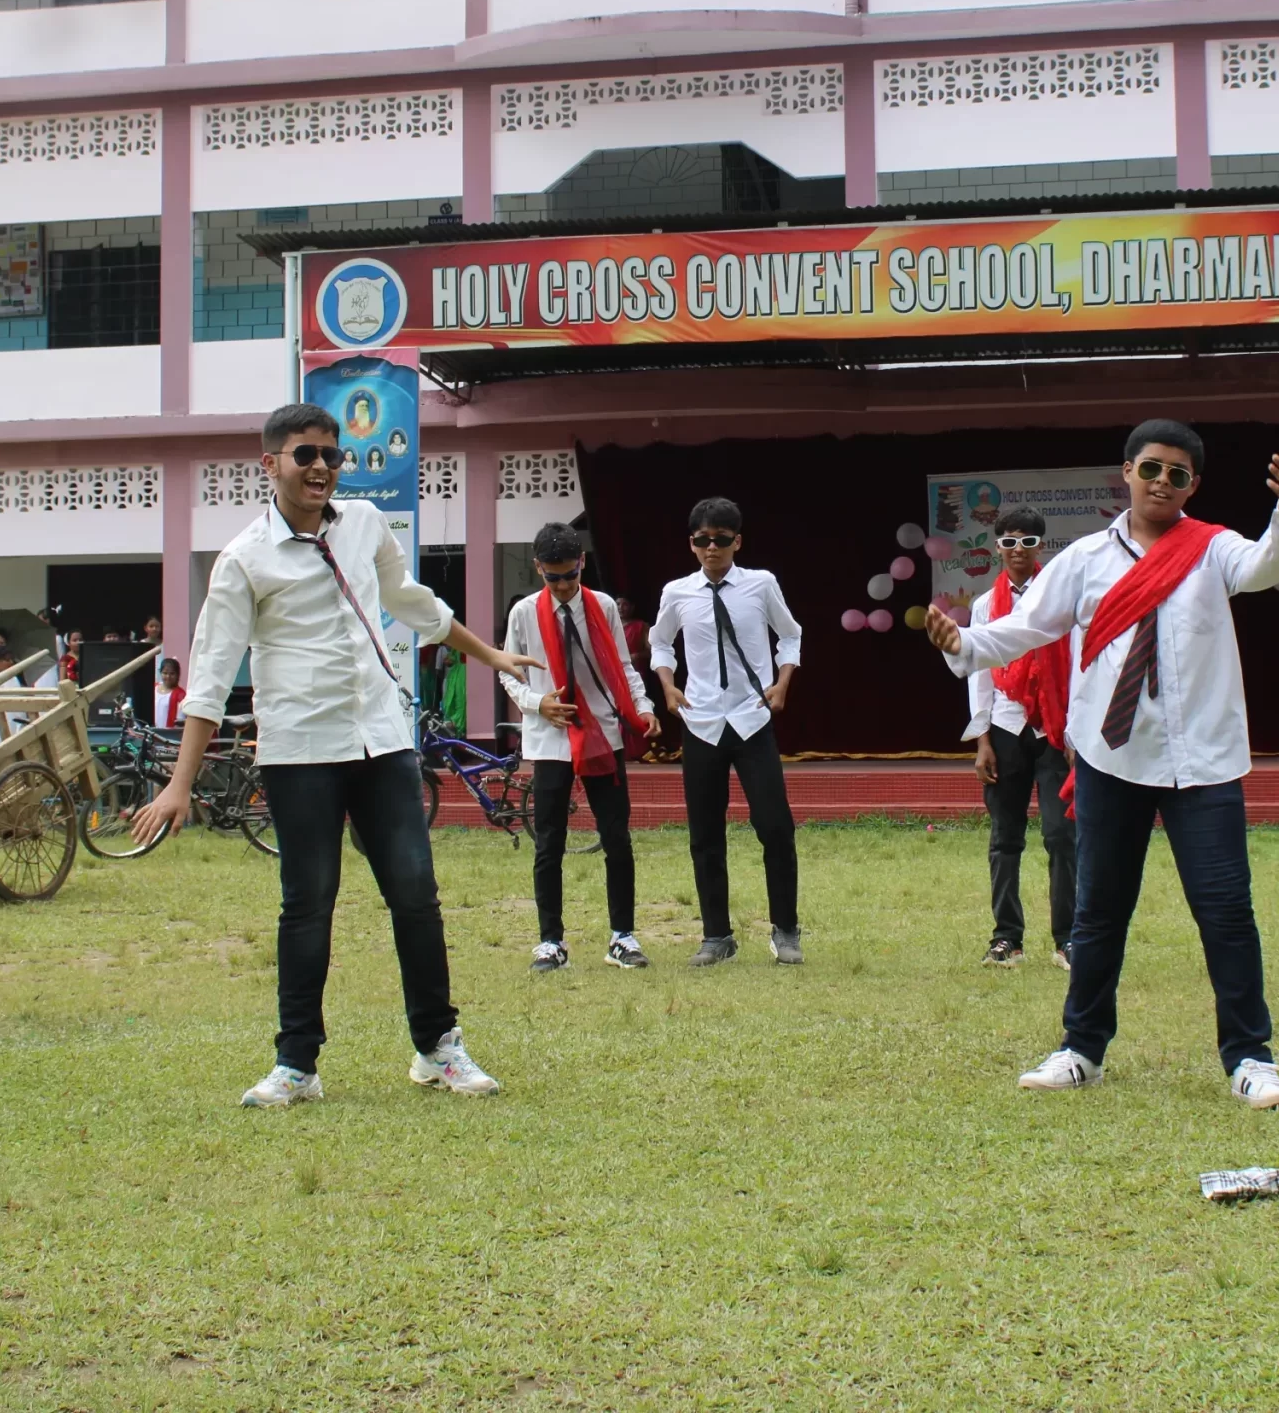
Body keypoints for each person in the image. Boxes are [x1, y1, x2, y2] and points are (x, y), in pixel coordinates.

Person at [131, 403, 537, 1109]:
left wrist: (491, 654)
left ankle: (437, 1048)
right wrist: (178, 784)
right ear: (270, 464)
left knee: (415, 893)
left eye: (331, 455)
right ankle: (297, 1065)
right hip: (301, 752)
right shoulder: (243, 559)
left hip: (381, 742)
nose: (321, 467)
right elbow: (211, 677)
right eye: (305, 454)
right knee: (307, 904)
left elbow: (411, 601)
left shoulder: (365, 524)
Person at [927, 420, 1279, 1109]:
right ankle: (1082, 1048)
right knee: (1098, 912)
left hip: (1202, 763)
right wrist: (966, 642)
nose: (1162, 482)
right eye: (1151, 468)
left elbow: (1267, 566)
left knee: (1226, 913)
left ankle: (1251, 1057)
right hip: (1112, 756)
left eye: (1177, 474)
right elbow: (1028, 626)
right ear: (1127, 472)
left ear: (1193, 485)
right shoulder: (1084, 559)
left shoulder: (1212, 548)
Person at [650, 497, 805, 967]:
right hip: (701, 722)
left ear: (737, 542)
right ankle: (716, 935)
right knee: (705, 834)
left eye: (720, 539)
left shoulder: (761, 584)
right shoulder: (678, 592)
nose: (711, 548)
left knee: (775, 826)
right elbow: (660, 642)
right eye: (703, 540)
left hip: (752, 718)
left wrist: (782, 682)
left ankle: (785, 930)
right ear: (691, 544)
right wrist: (668, 685)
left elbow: (790, 634)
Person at [500, 521, 657, 972]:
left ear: (582, 563)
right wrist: (538, 704)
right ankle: (550, 941)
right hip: (549, 738)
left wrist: (642, 706)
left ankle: (622, 937)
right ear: (538, 569)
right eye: (553, 578)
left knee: (616, 837)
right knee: (549, 843)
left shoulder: (602, 605)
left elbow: (622, 667)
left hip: (601, 733)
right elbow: (508, 671)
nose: (564, 586)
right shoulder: (524, 612)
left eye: (570, 575)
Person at [963, 505, 1077, 969]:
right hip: (1006, 728)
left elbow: (1078, 665)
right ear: (998, 547)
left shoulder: (1059, 600)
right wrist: (982, 740)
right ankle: (1007, 938)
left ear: (1040, 546)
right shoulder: (984, 606)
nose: (1018, 550)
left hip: (1055, 729)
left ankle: (1068, 939)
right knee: (1005, 839)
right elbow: (979, 673)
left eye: (1027, 542)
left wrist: (1076, 733)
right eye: (1009, 542)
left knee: (1061, 835)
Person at [152, 657, 186, 731]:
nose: (168, 676)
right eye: (165, 673)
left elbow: (180, 721)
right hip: (150, 731)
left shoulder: (181, 695)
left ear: (177, 675)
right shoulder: (153, 688)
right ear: (160, 673)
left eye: (172, 673)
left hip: (168, 734)